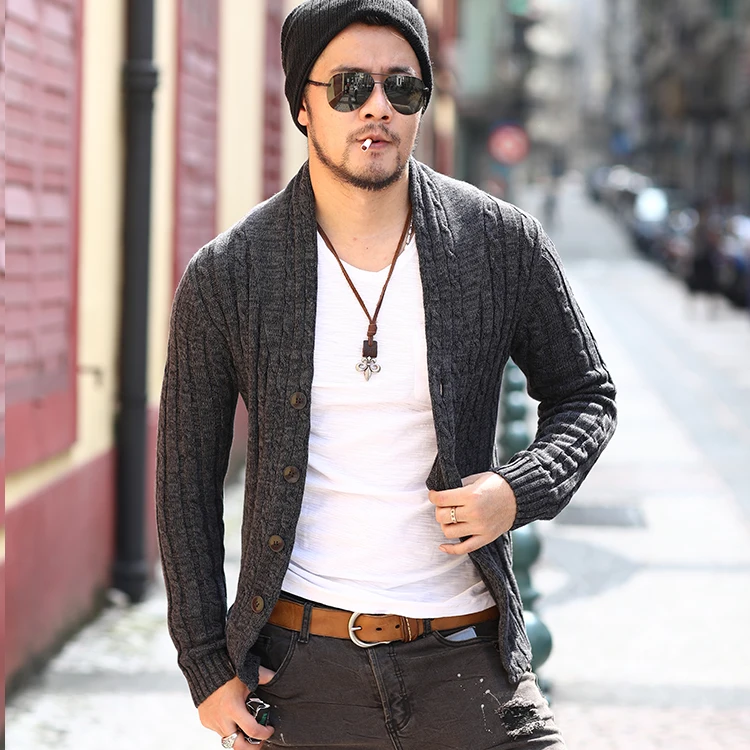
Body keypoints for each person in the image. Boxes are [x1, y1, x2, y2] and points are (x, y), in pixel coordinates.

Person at [155, 1, 617, 748]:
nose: (377, 107)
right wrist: (206, 666)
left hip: (469, 662)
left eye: (402, 88)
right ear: (302, 106)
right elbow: (186, 481)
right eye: (348, 87)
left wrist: (516, 490)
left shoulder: (499, 244)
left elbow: (586, 394)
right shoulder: (229, 274)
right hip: (303, 672)